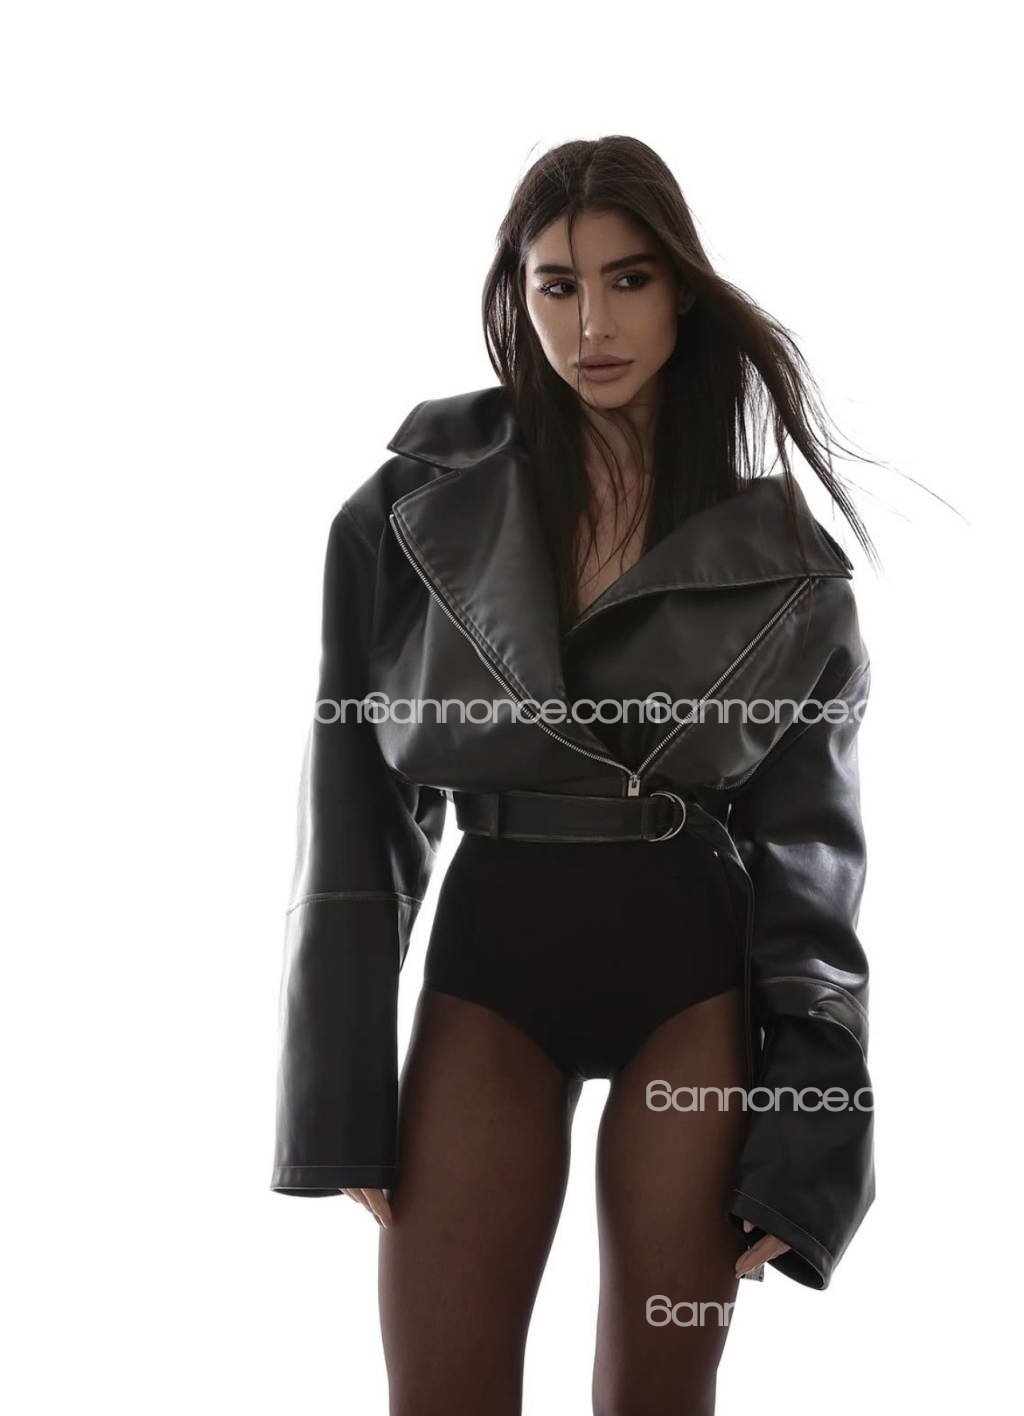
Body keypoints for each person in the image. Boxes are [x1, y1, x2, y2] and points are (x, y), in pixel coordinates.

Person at [270, 135, 878, 1416]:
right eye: (556, 285)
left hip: (689, 982)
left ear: (682, 292)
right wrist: (338, 1086)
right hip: (492, 967)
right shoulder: (410, 510)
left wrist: (812, 1124)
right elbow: (353, 802)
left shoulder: (788, 564)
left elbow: (811, 860)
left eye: (627, 280)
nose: (590, 325)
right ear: (519, 294)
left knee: (660, 1394)